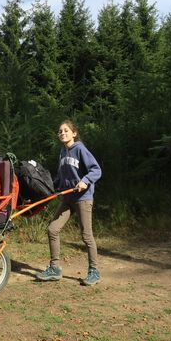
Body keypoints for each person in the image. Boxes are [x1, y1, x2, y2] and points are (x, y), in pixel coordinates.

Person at [36, 120, 102, 286]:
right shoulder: (63, 152)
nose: (62, 133)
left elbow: (96, 170)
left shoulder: (79, 149)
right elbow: (62, 176)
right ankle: (55, 269)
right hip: (67, 198)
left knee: (86, 236)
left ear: (74, 133)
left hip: (83, 198)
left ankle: (94, 271)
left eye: (66, 130)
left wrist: (85, 181)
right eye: (60, 131)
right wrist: (52, 187)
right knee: (52, 229)